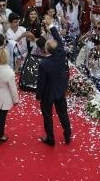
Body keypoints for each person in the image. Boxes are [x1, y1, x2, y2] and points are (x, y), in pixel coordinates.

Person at [36, 14, 71, 146]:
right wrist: (50, 25)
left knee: (48, 117)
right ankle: (67, 134)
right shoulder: (61, 53)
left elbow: (41, 83)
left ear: (47, 50)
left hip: (47, 95)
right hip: (60, 91)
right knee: (63, 115)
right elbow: (58, 39)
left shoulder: (44, 64)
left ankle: (51, 138)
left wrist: (38, 95)